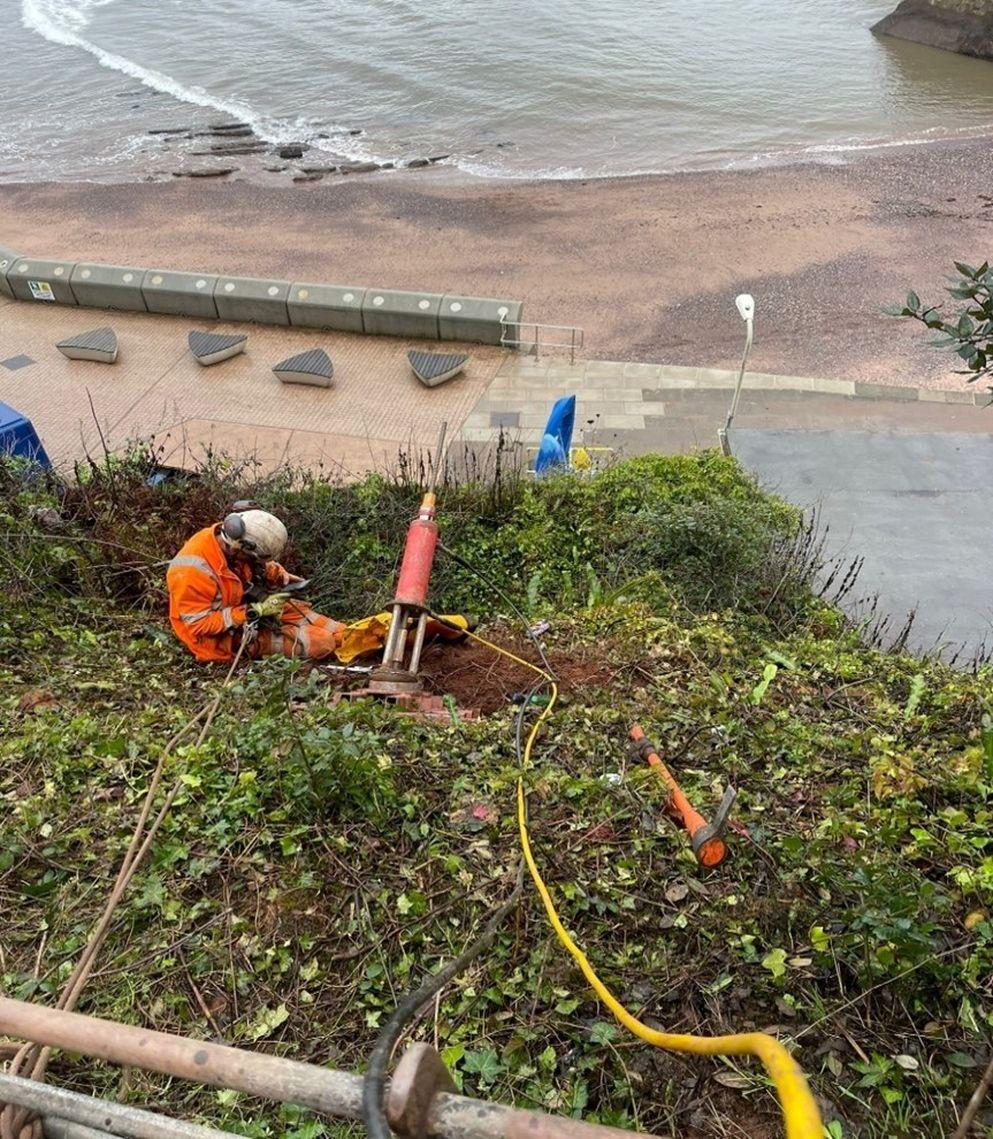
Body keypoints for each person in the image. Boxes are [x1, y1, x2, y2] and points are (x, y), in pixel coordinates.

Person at [167, 503, 343, 663]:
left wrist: (279, 575)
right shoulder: (191, 572)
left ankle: (352, 637)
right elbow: (199, 625)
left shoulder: (235, 540)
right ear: (242, 548)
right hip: (222, 638)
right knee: (323, 642)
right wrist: (253, 611)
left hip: (245, 609)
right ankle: (339, 643)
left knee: (339, 631)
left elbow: (256, 566)